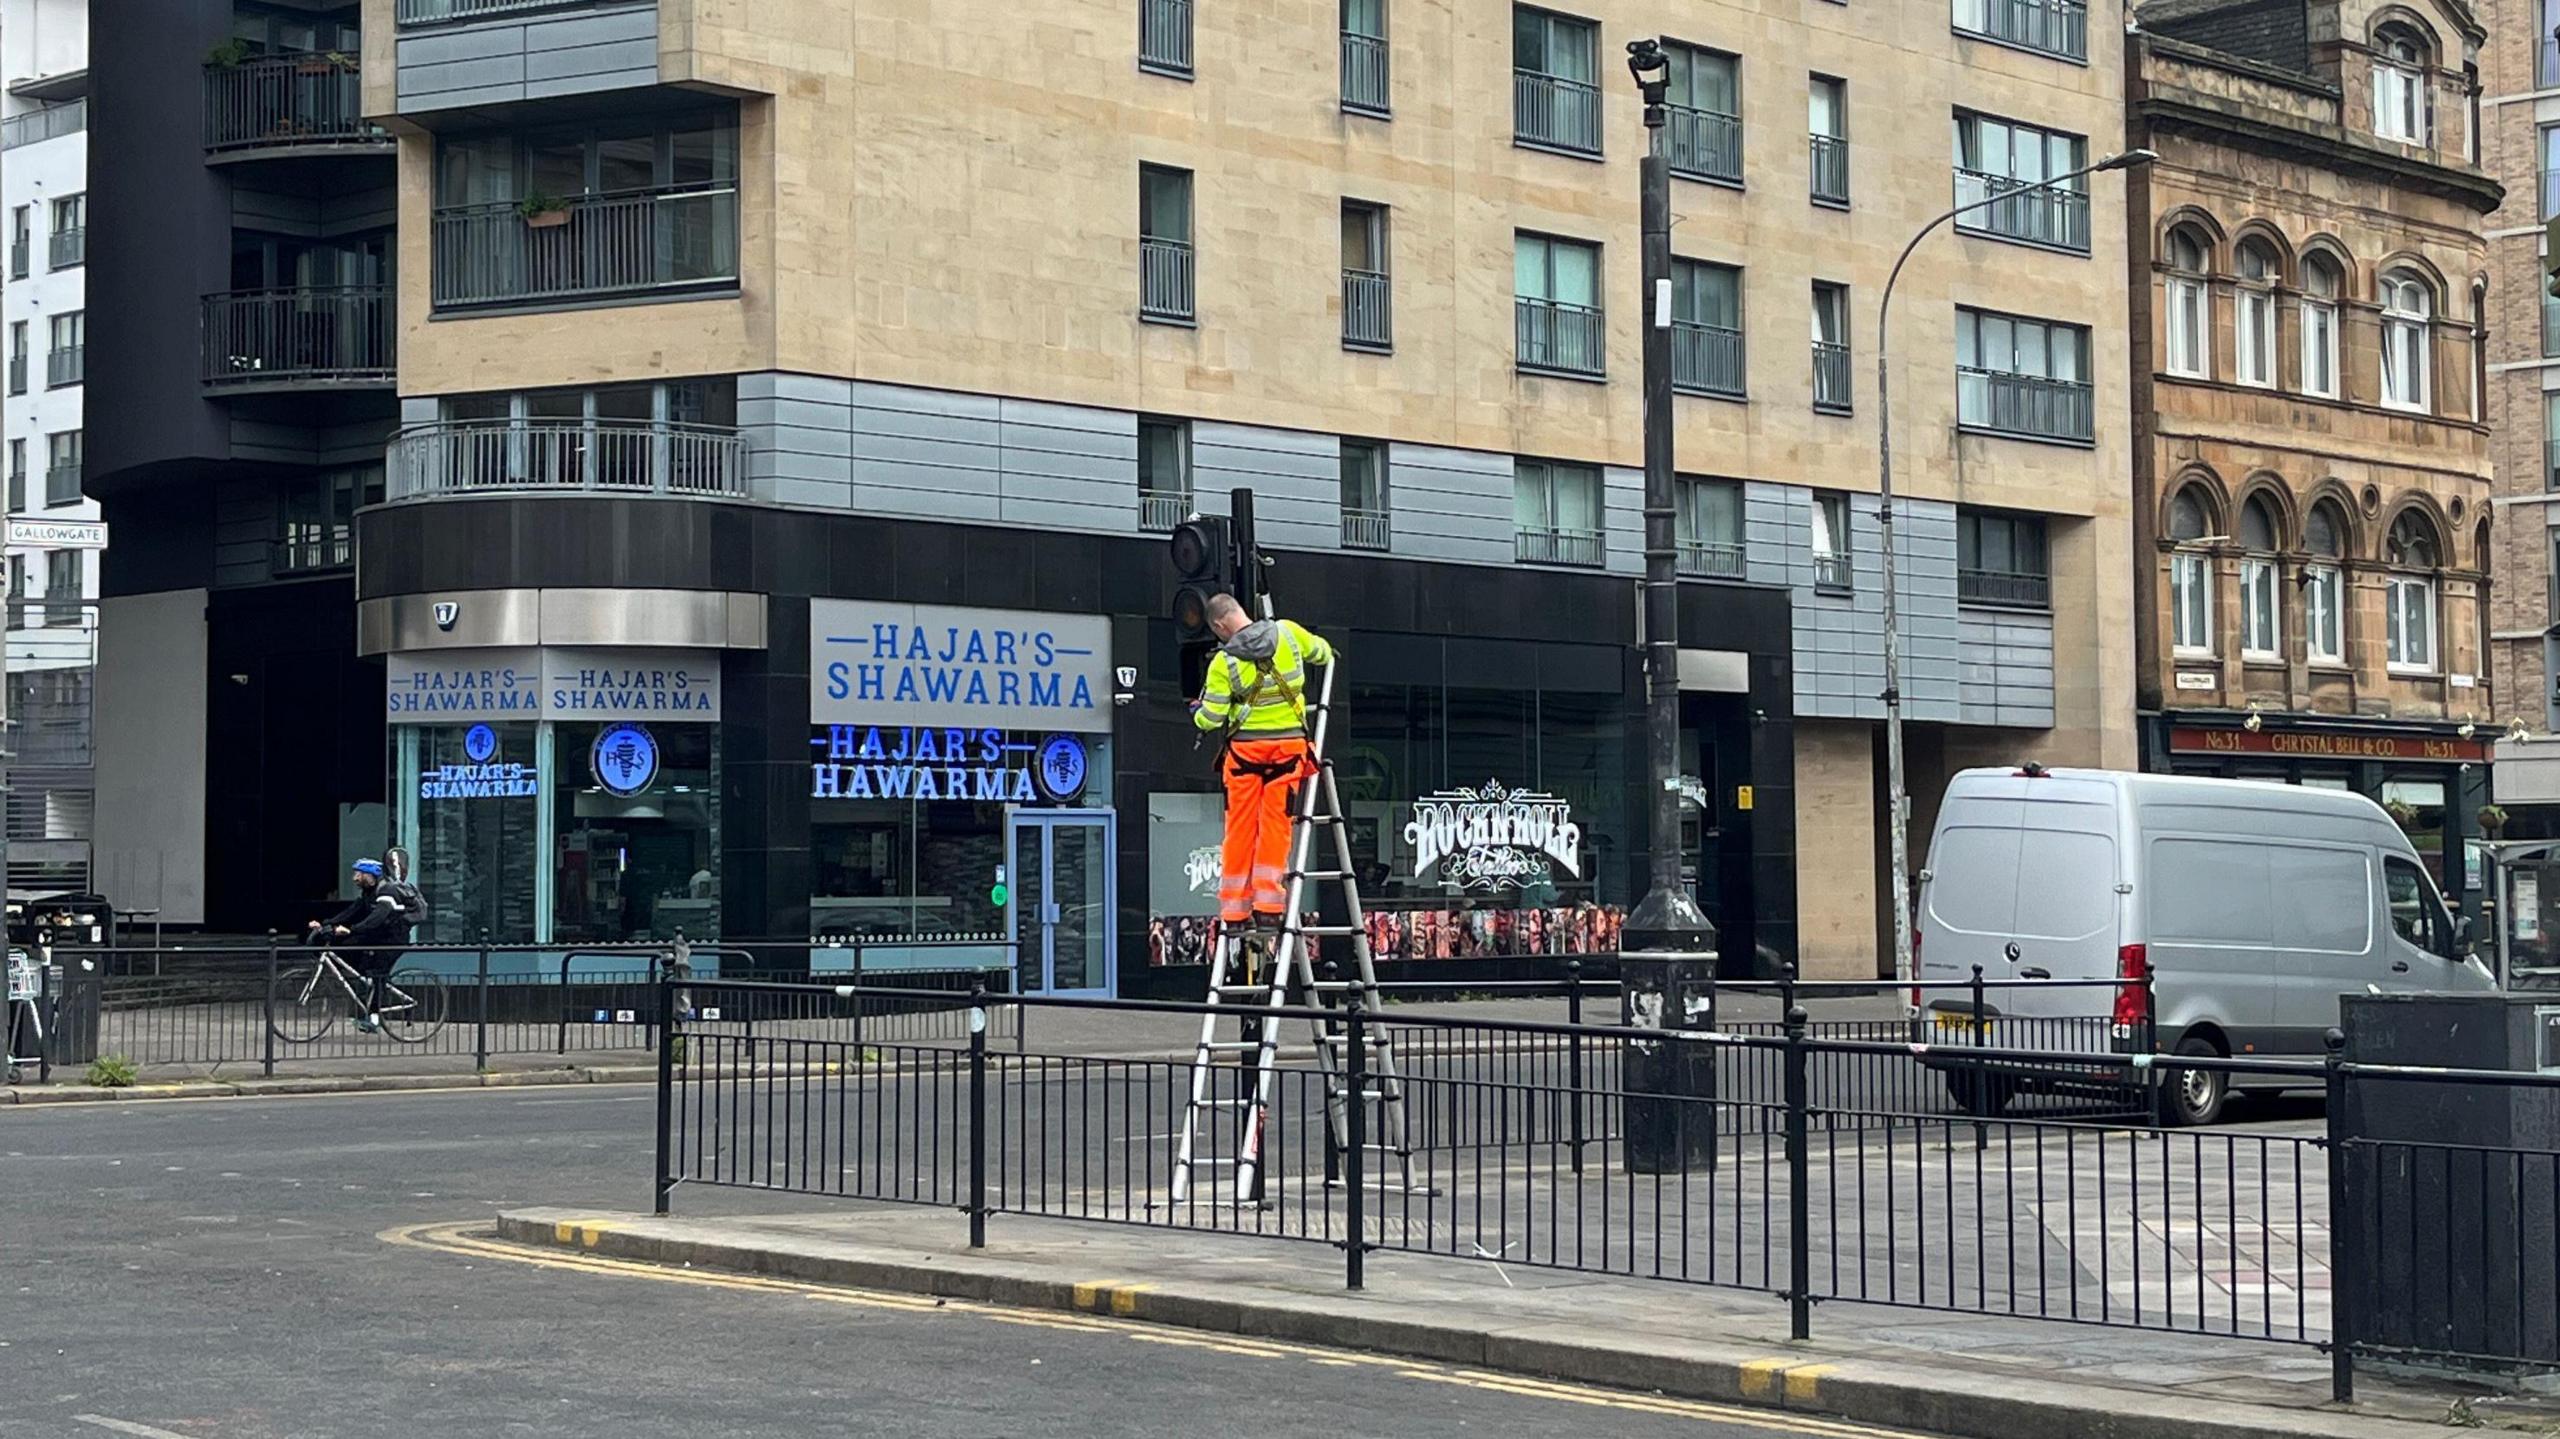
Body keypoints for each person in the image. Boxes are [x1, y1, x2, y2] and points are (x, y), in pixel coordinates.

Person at [1191, 593, 1333, 934]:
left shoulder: (1223, 663)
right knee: (1276, 826)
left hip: (1245, 757)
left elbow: (1212, 718)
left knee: (1239, 829)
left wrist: (1197, 713)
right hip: (1288, 752)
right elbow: (1322, 652)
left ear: (1220, 625)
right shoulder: (1288, 633)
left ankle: (1236, 914)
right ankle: (1269, 908)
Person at [307, 859, 422, 1032]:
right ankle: (369, 987)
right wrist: (326, 924)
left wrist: (351, 930)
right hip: (378, 936)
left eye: (358, 874)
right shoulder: (368, 893)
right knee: (353, 953)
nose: (355, 878)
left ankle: (374, 1019)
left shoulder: (387, 891)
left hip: (393, 940)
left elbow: (376, 919)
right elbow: (351, 911)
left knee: (378, 974)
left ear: (369, 876)